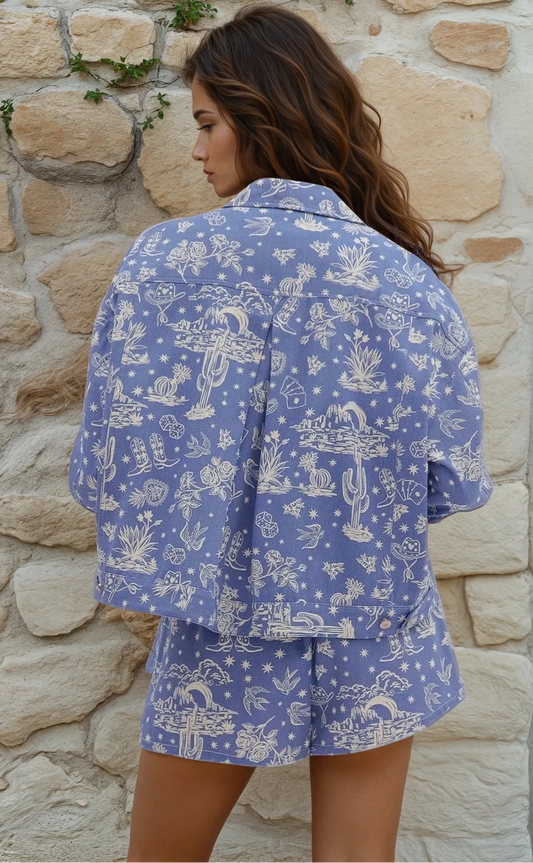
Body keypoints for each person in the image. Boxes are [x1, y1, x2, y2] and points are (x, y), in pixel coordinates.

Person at [5, 5, 493, 862]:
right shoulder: (404, 279)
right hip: (372, 608)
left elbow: (106, 468)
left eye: (205, 122)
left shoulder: (163, 263)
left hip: (220, 616)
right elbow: (448, 484)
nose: (195, 150)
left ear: (261, 117)